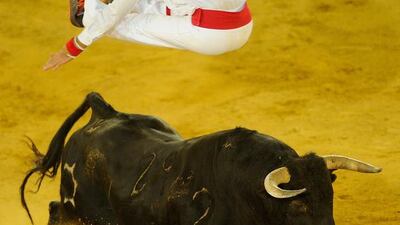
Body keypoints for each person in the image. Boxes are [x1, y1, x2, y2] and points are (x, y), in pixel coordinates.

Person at [43, 0, 253, 71]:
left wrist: (74, 47)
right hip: (243, 26)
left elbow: (116, 13)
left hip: (209, 33)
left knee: (120, 23)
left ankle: (86, 10)